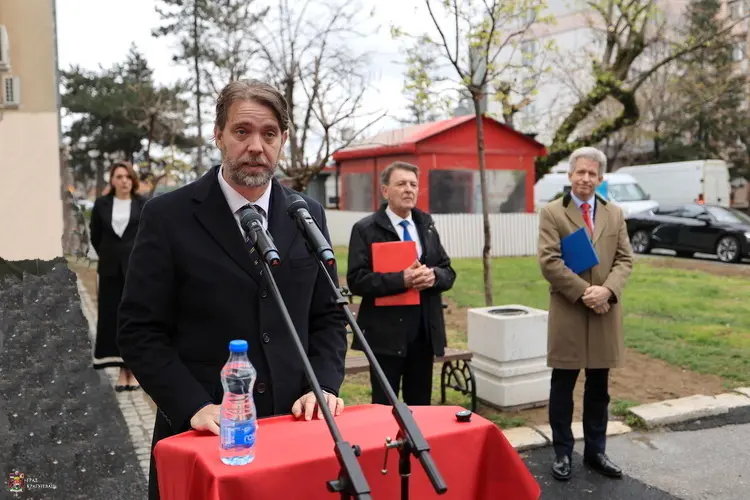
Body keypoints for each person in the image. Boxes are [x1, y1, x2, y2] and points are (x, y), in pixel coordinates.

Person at [117, 80, 348, 500]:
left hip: (294, 430)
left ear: (283, 140)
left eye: (269, 133)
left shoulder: (306, 213)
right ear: (218, 134)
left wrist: (324, 385)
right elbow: (139, 330)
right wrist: (191, 406)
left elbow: (329, 315)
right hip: (204, 433)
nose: (256, 146)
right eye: (242, 131)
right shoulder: (167, 217)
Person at [537, 146, 634, 481]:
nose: (586, 179)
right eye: (580, 172)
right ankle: (563, 452)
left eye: (592, 174)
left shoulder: (614, 213)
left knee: (598, 388)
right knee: (563, 385)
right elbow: (549, 262)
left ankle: (596, 452)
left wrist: (607, 291)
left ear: (600, 178)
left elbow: (625, 259)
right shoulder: (552, 212)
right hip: (569, 311)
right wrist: (585, 293)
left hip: (605, 311)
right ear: (570, 175)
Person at [346, 161, 456, 406]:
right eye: (402, 184)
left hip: (423, 335)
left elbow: (448, 271)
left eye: (413, 185)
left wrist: (434, 276)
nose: (409, 189)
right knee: (384, 409)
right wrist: (401, 279)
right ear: (385, 191)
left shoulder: (426, 225)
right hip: (386, 337)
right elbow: (357, 280)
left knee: (420, 407)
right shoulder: (365, 229)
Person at [89, 161, 146, 391]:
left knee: (134, 317)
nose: (124, 181)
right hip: (110, 271)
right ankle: (123, 370)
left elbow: (148, 236)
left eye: (128, 177)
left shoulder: (143, 204)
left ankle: (134, 370)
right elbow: (95, 236)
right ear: (112, 180)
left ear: (133, 180)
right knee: (112, 318)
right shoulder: (101, 205)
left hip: (136, 270)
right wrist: (109, 255)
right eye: (119, 177)